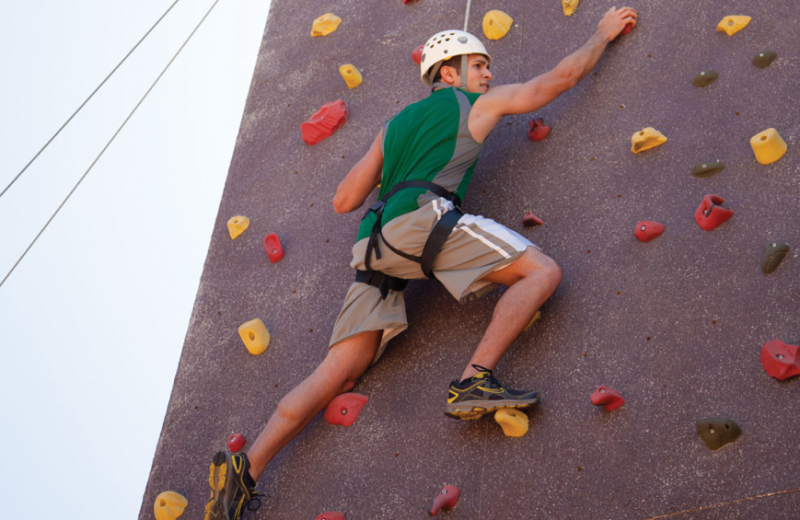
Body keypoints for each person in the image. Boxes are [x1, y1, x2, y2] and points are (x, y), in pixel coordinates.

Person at [204, 7, 638, 519]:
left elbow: (344, 200)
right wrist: (601, 34)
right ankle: (475, 378)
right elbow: (560, 79)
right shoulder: (472, 103)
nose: (489, 74)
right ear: (449, 73)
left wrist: (398, 167)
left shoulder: (393, 127)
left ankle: (246, 469)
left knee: (340, 369)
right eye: (479, 65)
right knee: (542, 271)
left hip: (375, 243)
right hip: (424, 221)